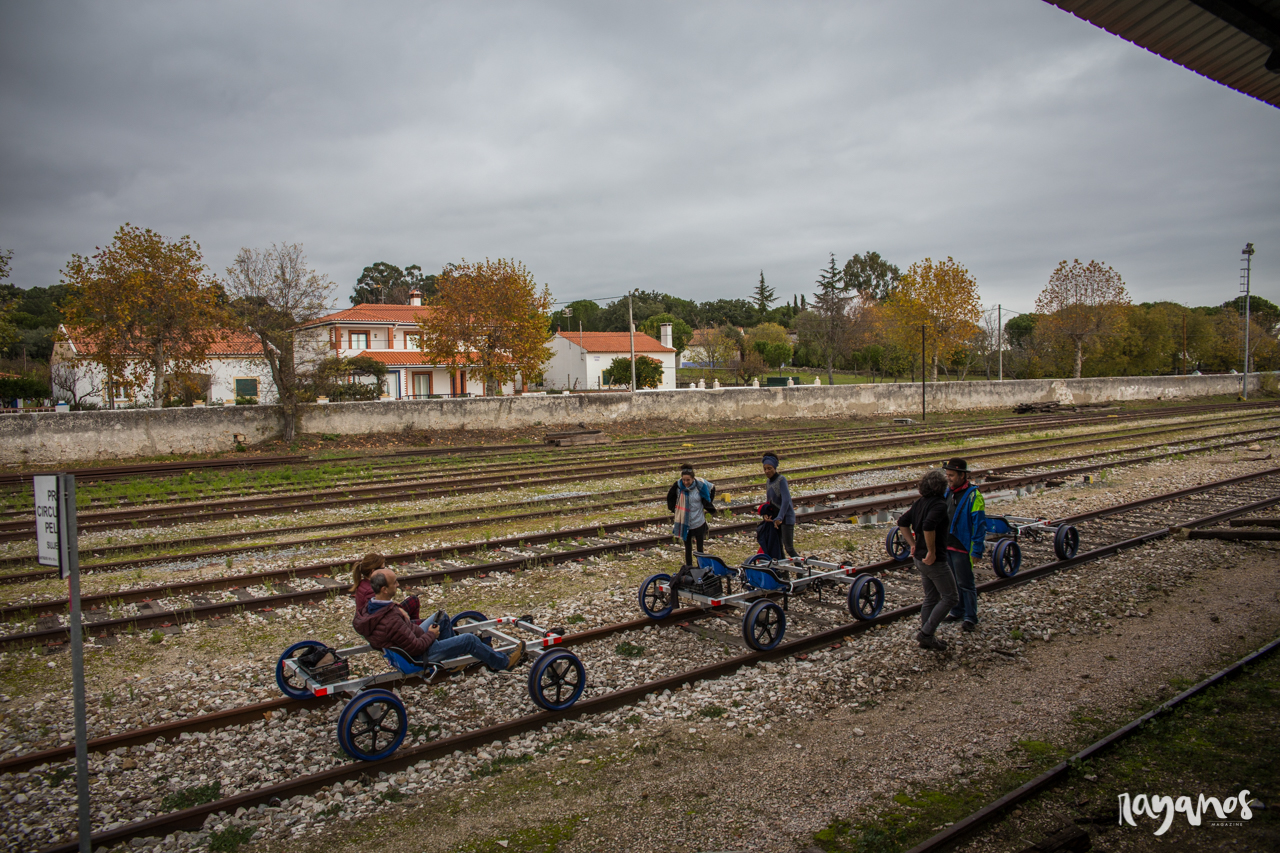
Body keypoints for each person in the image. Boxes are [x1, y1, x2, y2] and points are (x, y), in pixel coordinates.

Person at [353, 569, 522, 671]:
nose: (397, 585)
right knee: (469, 640)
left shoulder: (369, 609)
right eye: (394, 583)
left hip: (411, 642)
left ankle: (452, 662)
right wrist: (431, 634)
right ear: (384, 589)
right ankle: (504, 662)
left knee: (441, 616)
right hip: (421, 655)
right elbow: (416, 647)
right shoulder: (391, 620)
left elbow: (397, 630)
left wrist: (395, 607)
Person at [896, 469, 958, 651]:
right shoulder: (939, 505)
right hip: (934, 560)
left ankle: (926, 637)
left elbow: (902, 522)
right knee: (951, 597)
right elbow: (928, 525)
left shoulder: (920, 503)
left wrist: (912, 544)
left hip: (919, 558)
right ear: (941, 487)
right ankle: (926, 633)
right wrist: (931, 551)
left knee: (931, 597)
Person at [941, 458, 986, 632]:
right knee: (953, 582)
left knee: (965, 583)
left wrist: (977, 549)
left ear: (962, 475)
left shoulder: (974, 495)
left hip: (962, 546)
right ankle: (957, 611)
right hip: (948, 544)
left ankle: (970, 616)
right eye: (947, 475)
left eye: (951, 475)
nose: (949, 478)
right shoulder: (948, 492)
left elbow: (979, 524)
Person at [667, 464, 716, 565]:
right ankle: (689, 568)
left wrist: (708, 503)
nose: (685, 482)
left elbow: (712, 488)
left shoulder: (701, 485)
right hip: (685, 522)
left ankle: (701, 567)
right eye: (684, 480)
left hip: (699, 522)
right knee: (688, 548)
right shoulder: (678, 487)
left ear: (693, 479)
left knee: (700, 549)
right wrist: (675, 510)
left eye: (688, 480)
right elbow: (670, 498)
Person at [351, 552, 420, 620]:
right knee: (415, 602)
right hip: (382, 623)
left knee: (414, 600)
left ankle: (411, 627)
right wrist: (399, 610)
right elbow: (383, 611)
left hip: (377, 620)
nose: (385, 570)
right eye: (383, 568)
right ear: (373, 571)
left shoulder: (363, 583)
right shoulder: (371, 590)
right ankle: (412, 628)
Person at [761, 452, 799, 558]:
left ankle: (801, 570)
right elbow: (769, 502)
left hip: (785, 518)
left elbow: (786, 500)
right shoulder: (768, 482)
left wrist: (780, 517)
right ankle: (784, 573)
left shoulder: (781, 480)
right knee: (778, 549)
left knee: (789, 548)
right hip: (775, 519)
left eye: (769, 468)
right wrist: (766, 514)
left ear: (775, 467)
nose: (767, 471)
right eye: (765, 469)